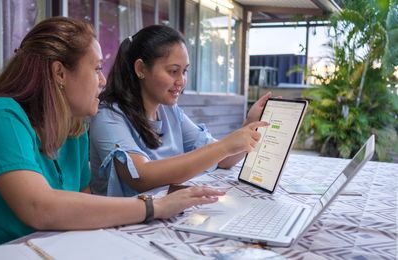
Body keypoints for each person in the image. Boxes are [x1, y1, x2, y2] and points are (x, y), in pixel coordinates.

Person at [0, 17, 224, 258]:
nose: (103, 80)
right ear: (59, 73)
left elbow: (79, 208)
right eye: (96, 69)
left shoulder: (75, 129)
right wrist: (153, 207)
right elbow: (40, 208)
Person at [89, 25, 269, 196]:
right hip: (120, 226)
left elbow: (223, 159)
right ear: (141, 69)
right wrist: (223, 146)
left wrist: (250, 125)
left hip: (164, 217)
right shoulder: (108, 116)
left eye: (184, 71)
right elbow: (140, 176)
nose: (182, 81)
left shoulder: (170, 111)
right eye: (173, 71)